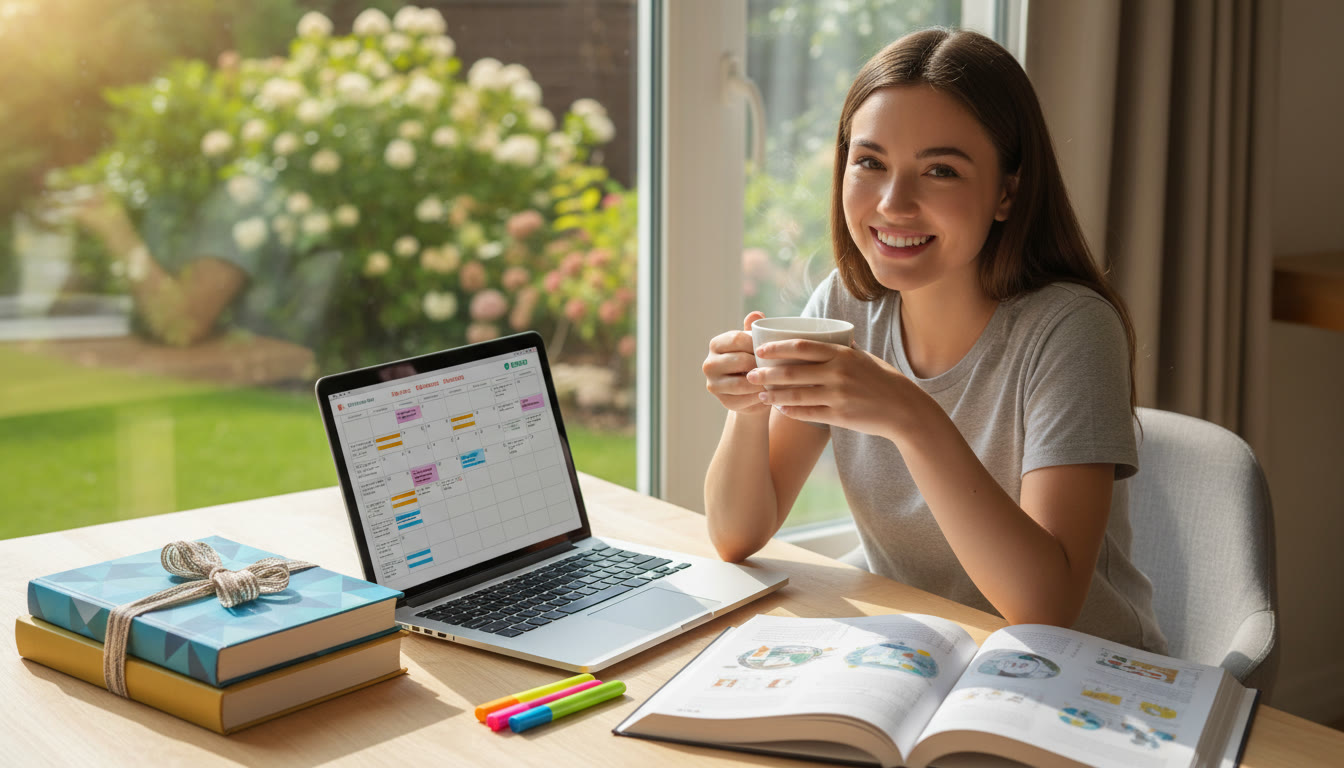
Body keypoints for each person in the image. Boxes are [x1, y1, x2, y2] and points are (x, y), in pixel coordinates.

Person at [702, 28, 1167, 653]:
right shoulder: (845, 308)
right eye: (870, 163)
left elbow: (1045, 606)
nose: (895, 203)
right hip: (919, 652)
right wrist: (748, 407)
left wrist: (911, 416)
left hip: (1085, 678)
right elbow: (736, 535)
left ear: (1007, 191)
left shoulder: (1070, 330)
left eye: (941, 171)